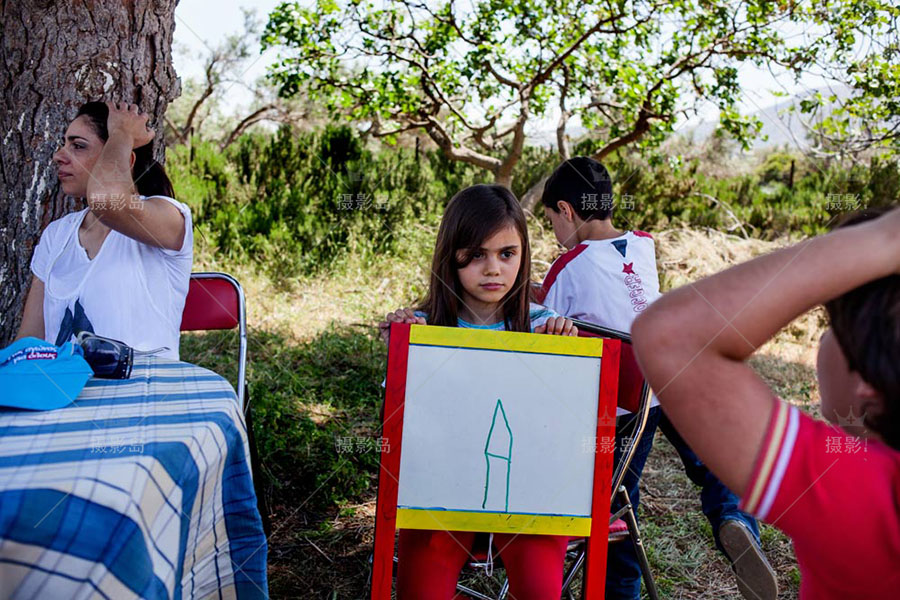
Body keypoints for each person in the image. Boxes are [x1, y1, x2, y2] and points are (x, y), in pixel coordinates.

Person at [538, 156, 776, 600]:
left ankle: (621, 592)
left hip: (627, 404)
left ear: (566, 210)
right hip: (680, 376)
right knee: (714, 462)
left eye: (551, 220)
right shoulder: (644, 245)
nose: (554, 233)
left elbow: (543, 322)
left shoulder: (566, 267)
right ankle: (735, 521)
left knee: (617, 507)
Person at [631, 207, 900, 598]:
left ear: (868, 382)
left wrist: (886, 237)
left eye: (830, 324)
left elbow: (673, 336)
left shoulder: (866, 498)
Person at [378, 184, 579, 600]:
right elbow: (403, 424)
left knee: (541, 591)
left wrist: (564, 350)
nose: (493, 270)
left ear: (523, 255)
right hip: (439, 493)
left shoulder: (545, 325)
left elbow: (562, 423)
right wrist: (402, 354)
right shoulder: (423, 328)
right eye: (477, 254)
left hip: (531, 496)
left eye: (507, 254)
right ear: (451, 254)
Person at [16, 101, 192, 360]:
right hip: (63, 394)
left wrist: (123, 133)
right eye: (65, 144)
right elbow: (30, 338)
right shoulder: (57, 234)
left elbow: (105, 201)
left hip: (144, 393)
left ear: (125, 158)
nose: (59, 156)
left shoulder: (168, 217)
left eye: (78, 146)